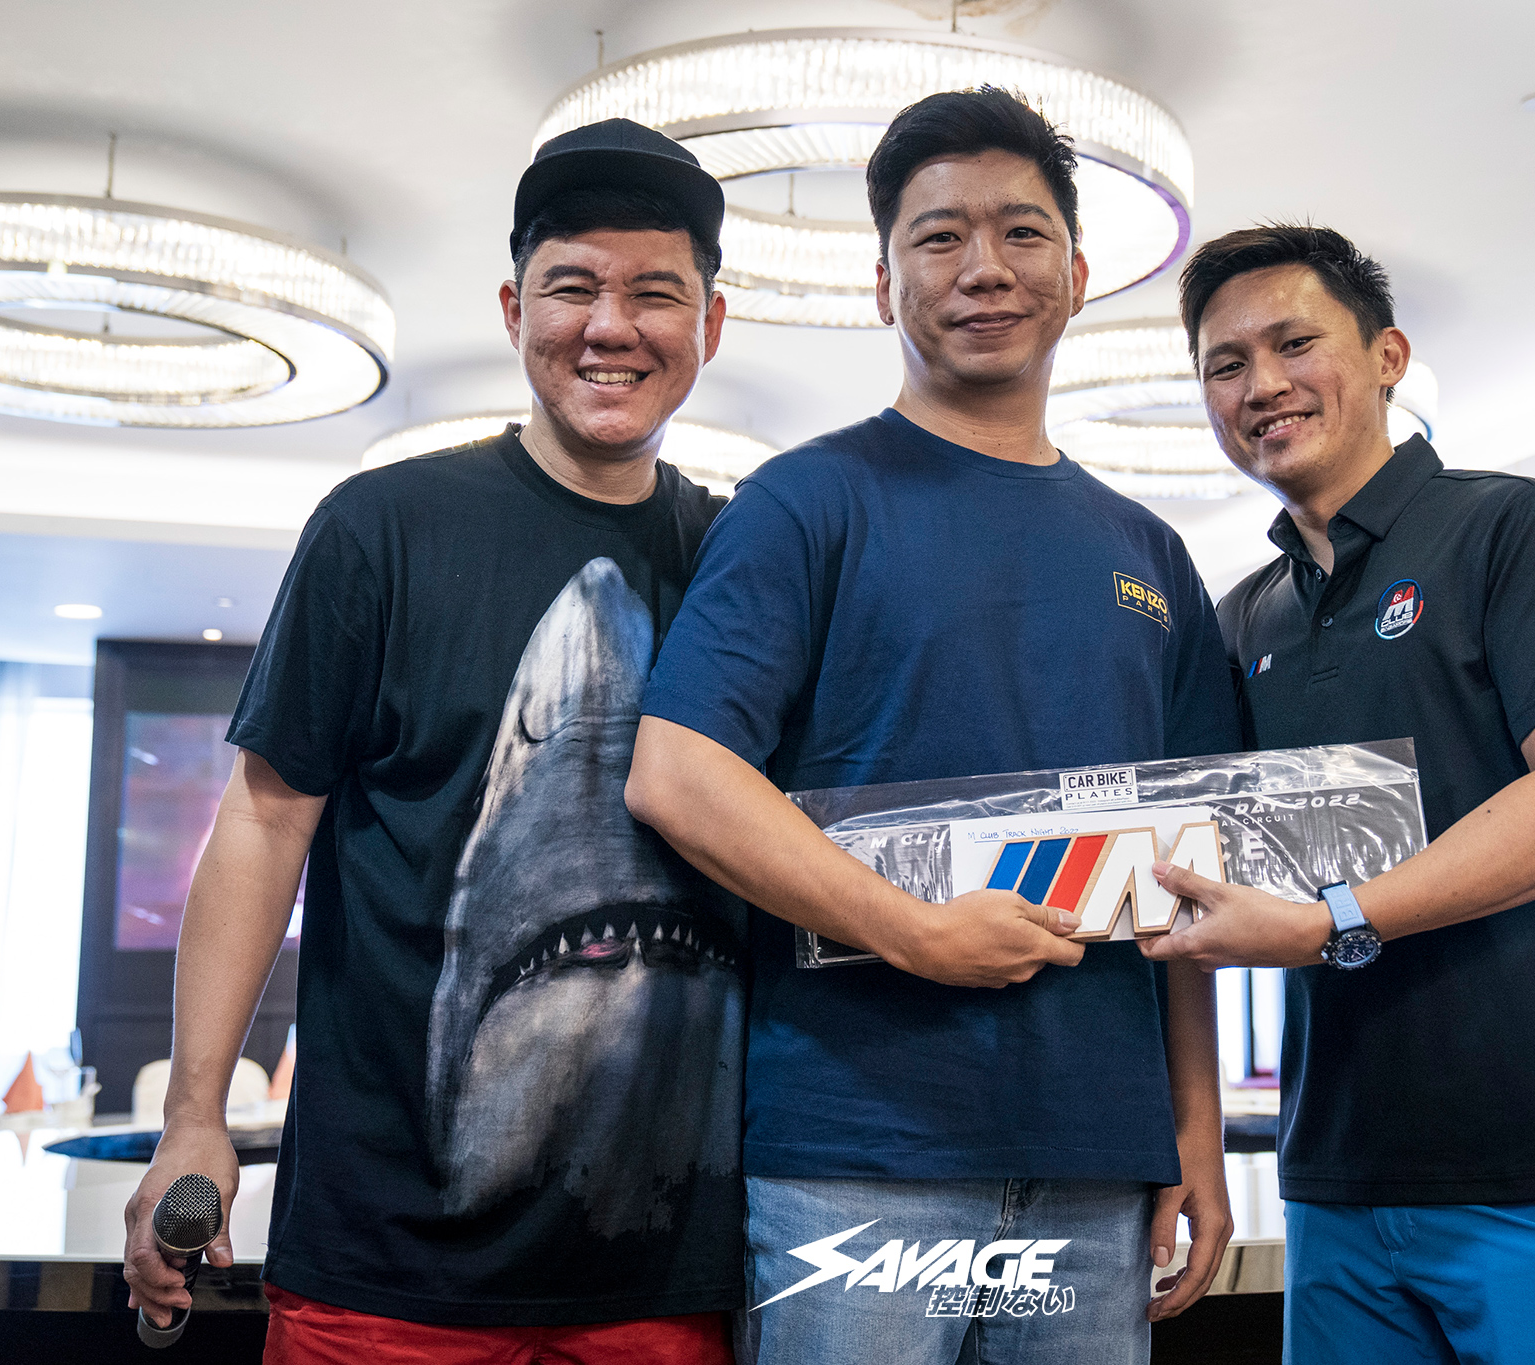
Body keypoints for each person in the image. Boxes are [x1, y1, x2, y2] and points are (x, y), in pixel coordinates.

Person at [624, 87, 1235, 1364]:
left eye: (1020, 232)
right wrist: (911, 932)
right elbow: (679, 774)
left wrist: (1193, 1125)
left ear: (1076, 274)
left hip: (1093, 1161)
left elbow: (1188, 870)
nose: (982, 268)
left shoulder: (1150, 555)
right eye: (938, 236)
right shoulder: (804, 502)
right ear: (882, 283)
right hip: (855, 1157)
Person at [121, 119, 743, 1363]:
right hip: (384, 1266)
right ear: (514, 310)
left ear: (710, 325)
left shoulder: (742, 556)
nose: (609, 326)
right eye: (570, 287)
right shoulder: (380, 528)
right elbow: (264, 819)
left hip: (665, 1275)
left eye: (654, 293)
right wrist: (194, 1114)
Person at [1140, 224, 1535, 1364]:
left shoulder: (1515, 528)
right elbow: (1185, 877)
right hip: (1338, 1180)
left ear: (1388, 356)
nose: (1261, 384)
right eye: (1226, 365)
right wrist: (1194, 1136)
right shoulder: (1241, 618)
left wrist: (1330, 922)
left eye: (1295, 343)